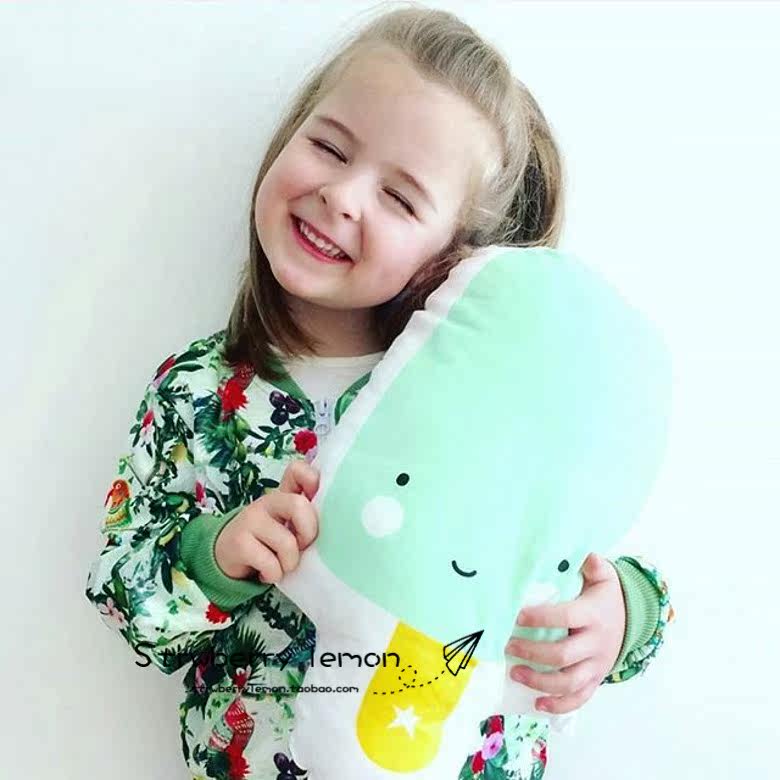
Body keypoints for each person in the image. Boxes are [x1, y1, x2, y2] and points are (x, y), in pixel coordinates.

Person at [85, 4, 674, 779]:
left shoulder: (493, 400)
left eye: (400, 198)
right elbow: (122, 594)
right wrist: (218, 553)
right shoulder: (198, 391)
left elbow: (578, 551)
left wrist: (622, 614)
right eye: (329, 147)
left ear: (454, 256)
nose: (342, 196)